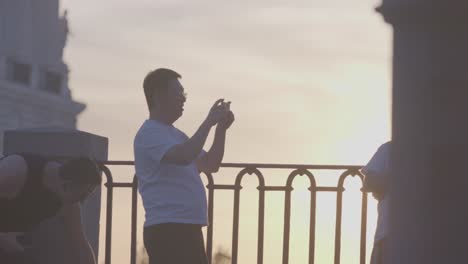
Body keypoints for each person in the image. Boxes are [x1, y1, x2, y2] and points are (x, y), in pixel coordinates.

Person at [134, 68, 234, 264]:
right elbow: (184, 156)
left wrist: (221, 129)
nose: (183, 99)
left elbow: (210, 164)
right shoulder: (149, 133)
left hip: (186, 227)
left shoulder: (176, 135)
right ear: (158, 95)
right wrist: (208, 122)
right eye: (178, 93)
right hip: (168, 229)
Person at [0, 154, 101, 263]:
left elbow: (81, 243)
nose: (82, 202)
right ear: (67, 184)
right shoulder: (15, 171)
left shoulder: (69, 204)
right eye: (82, 196)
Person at [361, 141, 391, 264]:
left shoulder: (388, 149)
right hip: (388, 235)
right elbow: (369, 182)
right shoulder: (389, 149)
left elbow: (370, 182)